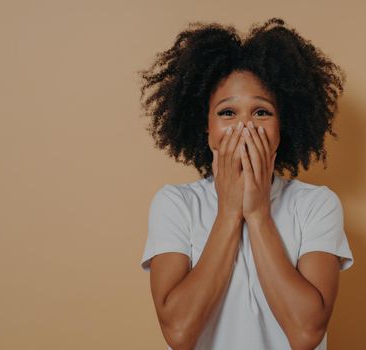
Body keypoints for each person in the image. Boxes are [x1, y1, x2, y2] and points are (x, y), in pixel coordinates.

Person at [138, 17, 354, 350]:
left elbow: (306, 334)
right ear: (206, 127)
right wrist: (228, 213)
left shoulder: (317, 204)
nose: (245, 127)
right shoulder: (175, 204)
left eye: (261, 112)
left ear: (283, 127)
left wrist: (257, 214)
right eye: (227, 113)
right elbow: (179, 332)